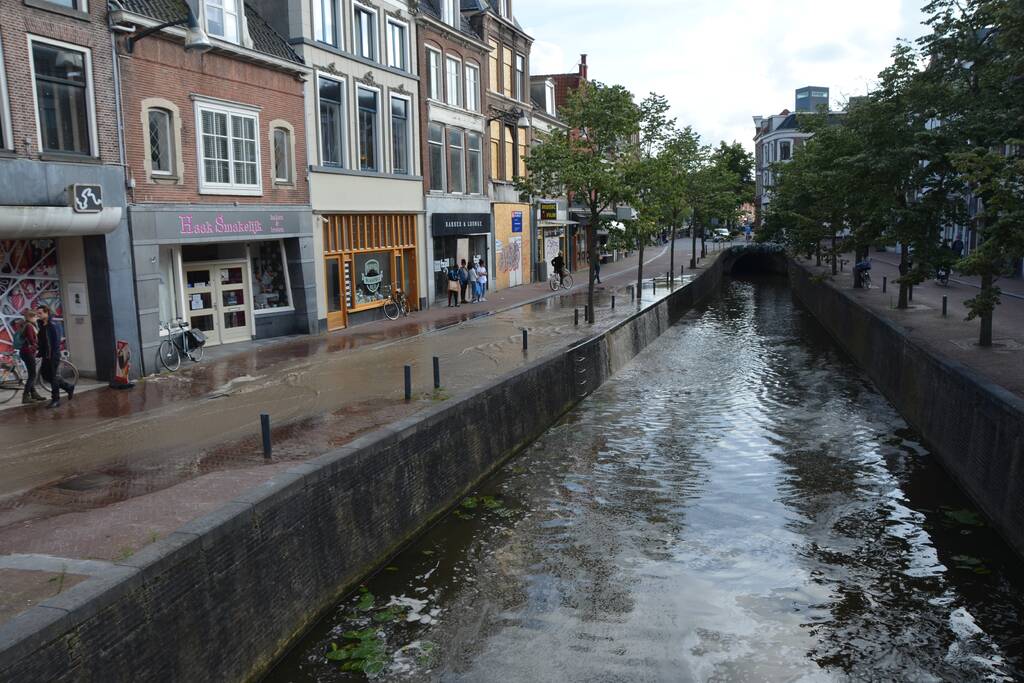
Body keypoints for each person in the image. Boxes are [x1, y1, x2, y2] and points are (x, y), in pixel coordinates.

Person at [36, 304, 74, 408]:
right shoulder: (42, 325)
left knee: (52, 377)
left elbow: (55, 341)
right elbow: (42, 341)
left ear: (46, 312)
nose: (38, 315)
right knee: (45, 375)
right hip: (45, 355)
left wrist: (51, 354)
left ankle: (56, 400)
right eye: (37, 313)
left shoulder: (53, 325)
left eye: (40, 313)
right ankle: (68, 387)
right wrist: (40, 352)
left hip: (53, 355)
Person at [13, 310, 46, 404]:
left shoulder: (28, 325)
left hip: (26, 352)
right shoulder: (29, 326)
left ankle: (34, 393)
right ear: (30, 317)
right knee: (32, 375)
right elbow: (32, 340)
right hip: (27, 352)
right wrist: (40, 346)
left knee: (31, 374)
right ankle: (25, 396)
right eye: (35, 316)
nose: (36, 318)